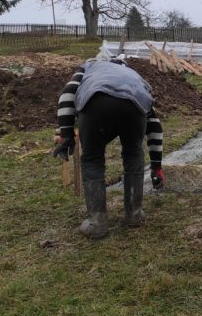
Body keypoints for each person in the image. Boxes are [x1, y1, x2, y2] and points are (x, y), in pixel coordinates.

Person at [53, 58, 164, 239]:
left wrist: (66, 134)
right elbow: (155, 127)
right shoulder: (135, 77)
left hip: (95, 101)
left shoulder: (90, 66)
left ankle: (97, 223)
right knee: (133, 152)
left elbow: (67, 93)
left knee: (92, 159)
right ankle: (134, 215)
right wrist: (156, 168)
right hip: (134, 103)